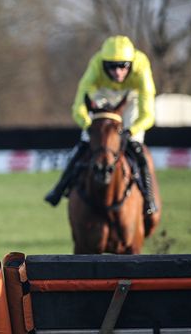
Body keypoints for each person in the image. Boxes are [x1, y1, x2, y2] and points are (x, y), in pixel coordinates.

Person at [44, 35, 158, 219]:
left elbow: (148, 115)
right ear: (104, 64)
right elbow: (79, 105)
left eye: (123, 66)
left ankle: (149, 199)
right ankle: (59, 188)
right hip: (102, 95)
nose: (118, 71)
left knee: (137, 148)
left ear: (131, 64)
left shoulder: (142, 67)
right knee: (84, 143)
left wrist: (131, 131)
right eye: (112, 66)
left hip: (131, 99)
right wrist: (89, 127)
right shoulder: (96, 64)